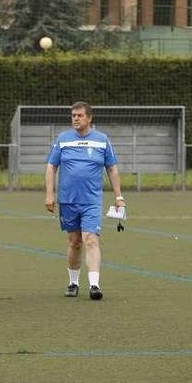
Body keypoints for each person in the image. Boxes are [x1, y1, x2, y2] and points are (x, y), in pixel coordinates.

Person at [45, 101, 125, 301]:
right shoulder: (63, 139)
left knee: (91, 239)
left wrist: (119, 197)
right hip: (68, 201)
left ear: (89, 118)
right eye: (73, 116)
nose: (76, 119)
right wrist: (49, 194)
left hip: (91, 201)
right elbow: (51, 166)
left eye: (80, 115)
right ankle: (73, 282)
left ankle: (94, 285)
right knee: (74, 242)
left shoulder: (102, 140)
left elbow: (112, 169)